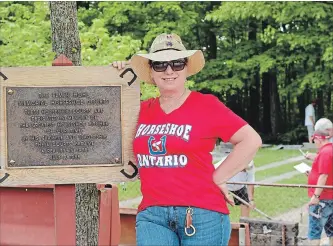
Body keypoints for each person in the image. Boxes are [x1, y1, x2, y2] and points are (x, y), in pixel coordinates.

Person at [112, 33, 262, 246]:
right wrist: (113, 74)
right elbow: (104, 119)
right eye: (160, 65)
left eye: (177, 63)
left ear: (186, 68)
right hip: (153, 215)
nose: (169, 70)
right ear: (151, 72)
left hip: (203, 214)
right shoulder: (140, 110)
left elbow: (251, 140)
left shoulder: (207, 105)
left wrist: (220, 177)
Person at [307, 127, 333, 246]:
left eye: (314, 140)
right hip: (330, 197)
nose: (314, 143)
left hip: (323, 198)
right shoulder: (330, 150)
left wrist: (316, 196)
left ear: (318, 139)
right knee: (331, 231)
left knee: (314, 232)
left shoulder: (325, 152)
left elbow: (324, 175)